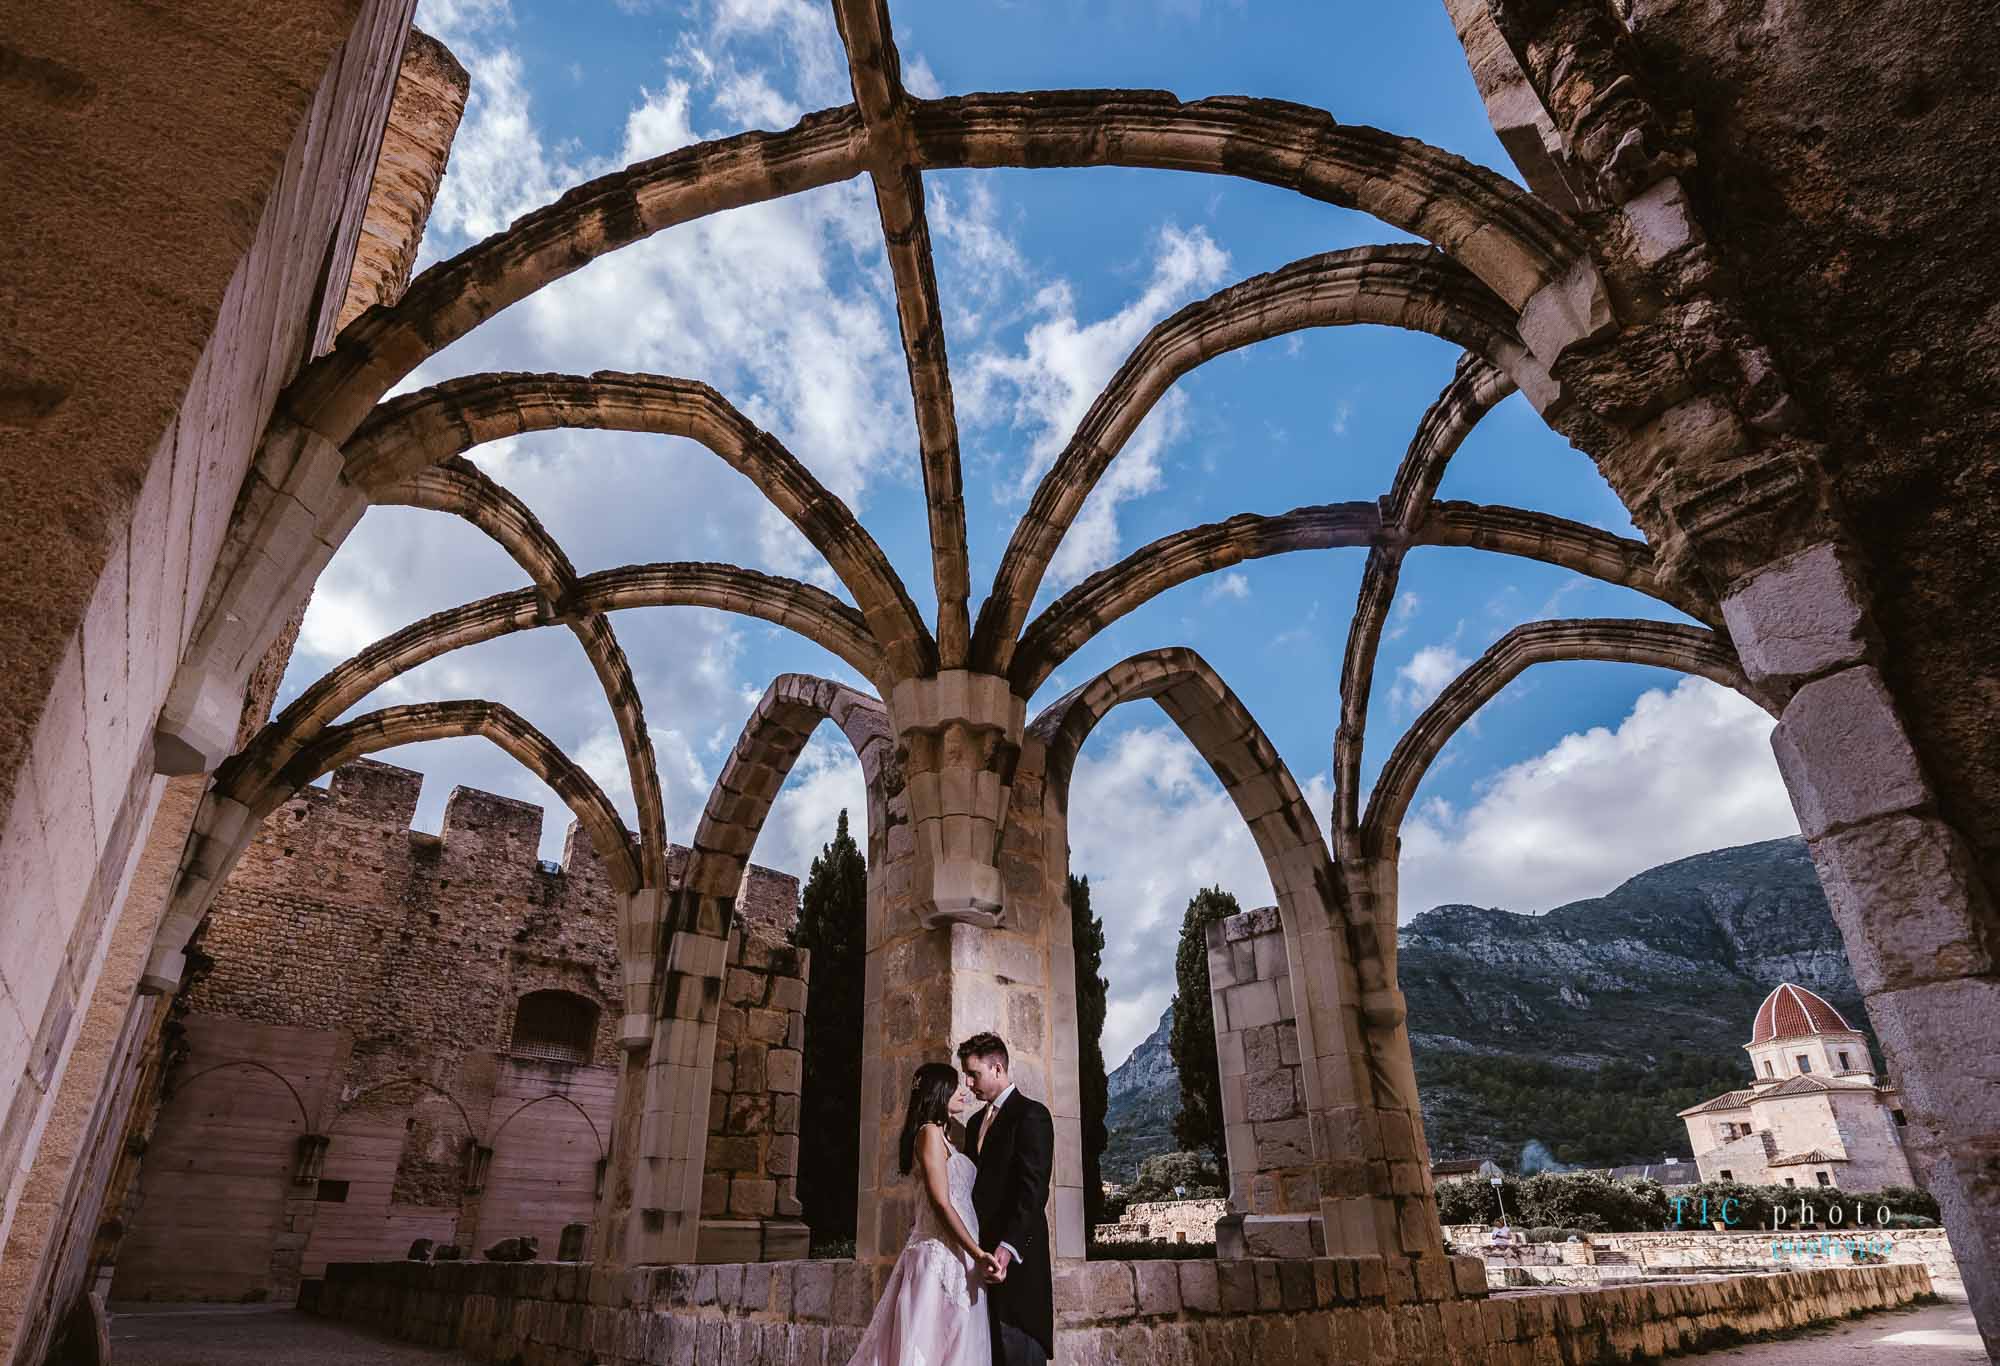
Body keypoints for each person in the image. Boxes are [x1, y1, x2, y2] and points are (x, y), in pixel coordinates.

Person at [846, 1062, 997, 1366]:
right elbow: (941, 1203)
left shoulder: (949, 1137)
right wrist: (978, 1253)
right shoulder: (928, 1133)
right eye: (955, 1085)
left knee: (957, 1347)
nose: (963, 1091)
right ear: (939, 1092)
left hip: (959, 1258)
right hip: (939, 1258)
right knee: (928, 1347)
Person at [958, 1032, 1055, 1366]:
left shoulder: (1032, 1115)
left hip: (1018, 1266)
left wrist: (1008, 1248)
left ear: (997, 1068)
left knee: (1019, 1353)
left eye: (974, 1074)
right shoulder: (973, 1125)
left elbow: (1033, 1190)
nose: (968, 1083)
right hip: (980, 1263)